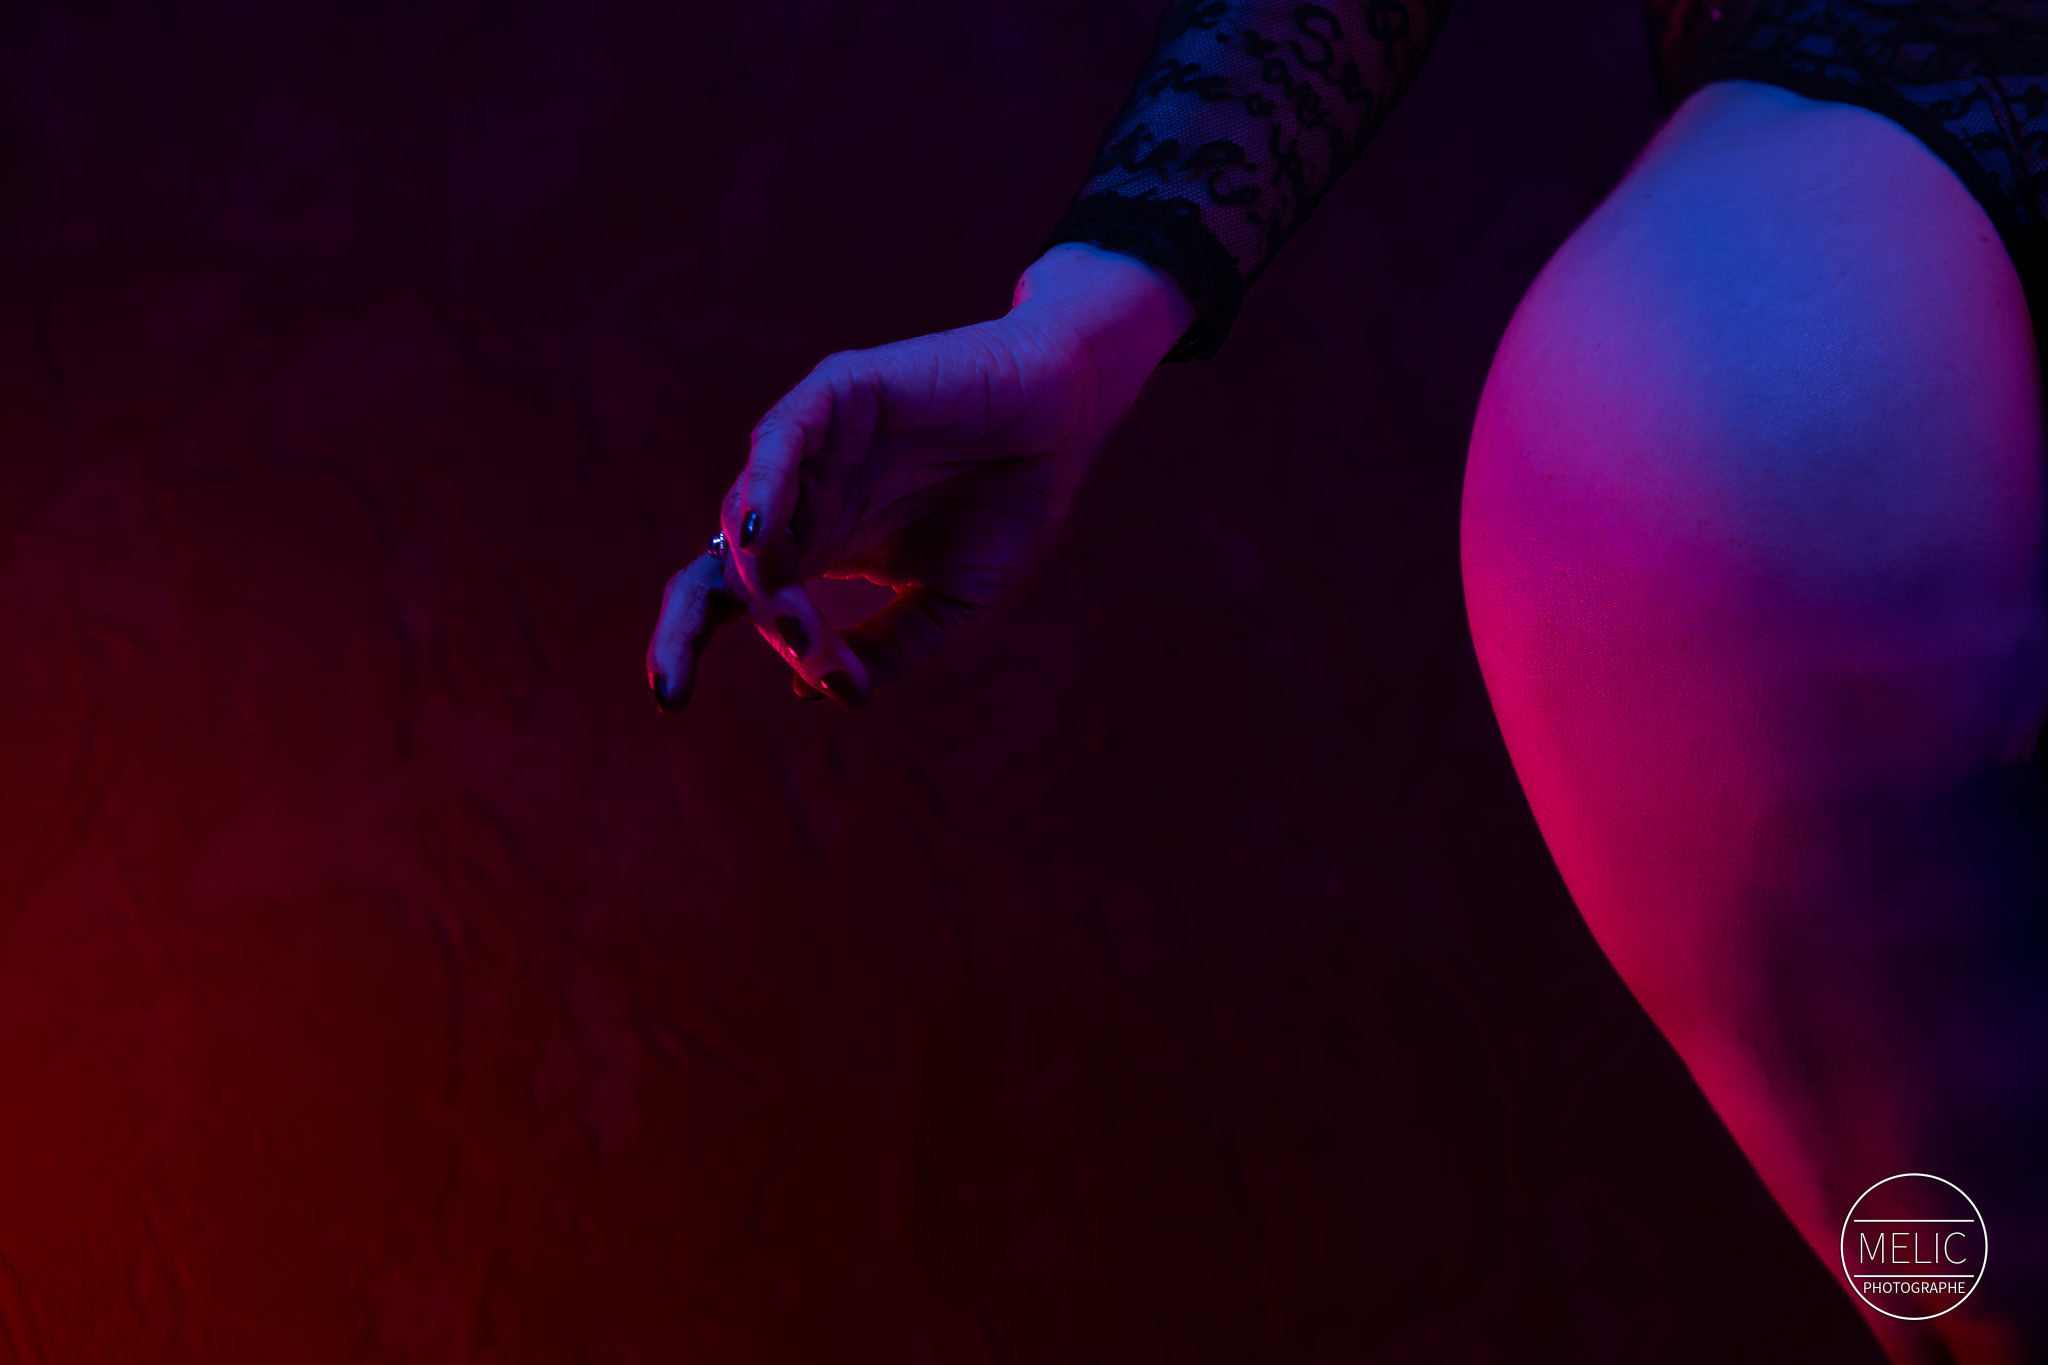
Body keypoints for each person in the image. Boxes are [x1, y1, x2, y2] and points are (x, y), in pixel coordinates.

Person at [645, 2, 2048, 1358]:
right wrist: (1073, 327)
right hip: (1817, 342)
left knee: (1994, 1299)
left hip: (1794, 334)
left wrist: (1077, 319)